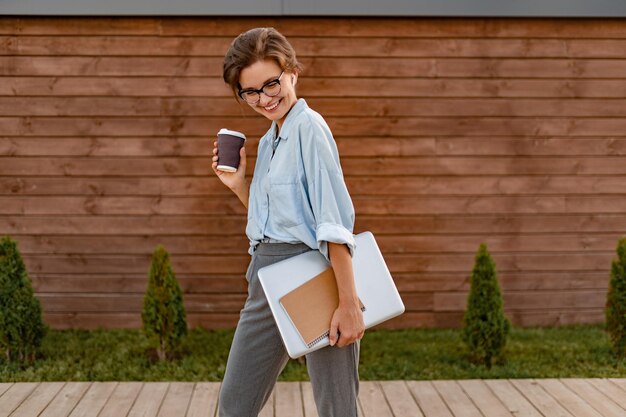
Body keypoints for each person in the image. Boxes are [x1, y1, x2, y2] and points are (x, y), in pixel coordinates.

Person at [213, 27, 364, 417]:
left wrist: (348, 304)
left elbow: (332, 222)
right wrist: (238, 184)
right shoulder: (268, 140)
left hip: (315, 274)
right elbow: (277, 219)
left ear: (292, 72)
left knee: (336, 406)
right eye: (251, 91)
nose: (264, 98)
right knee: (235, 403)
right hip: (266, 280)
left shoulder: (309, 129)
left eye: (271, 83)